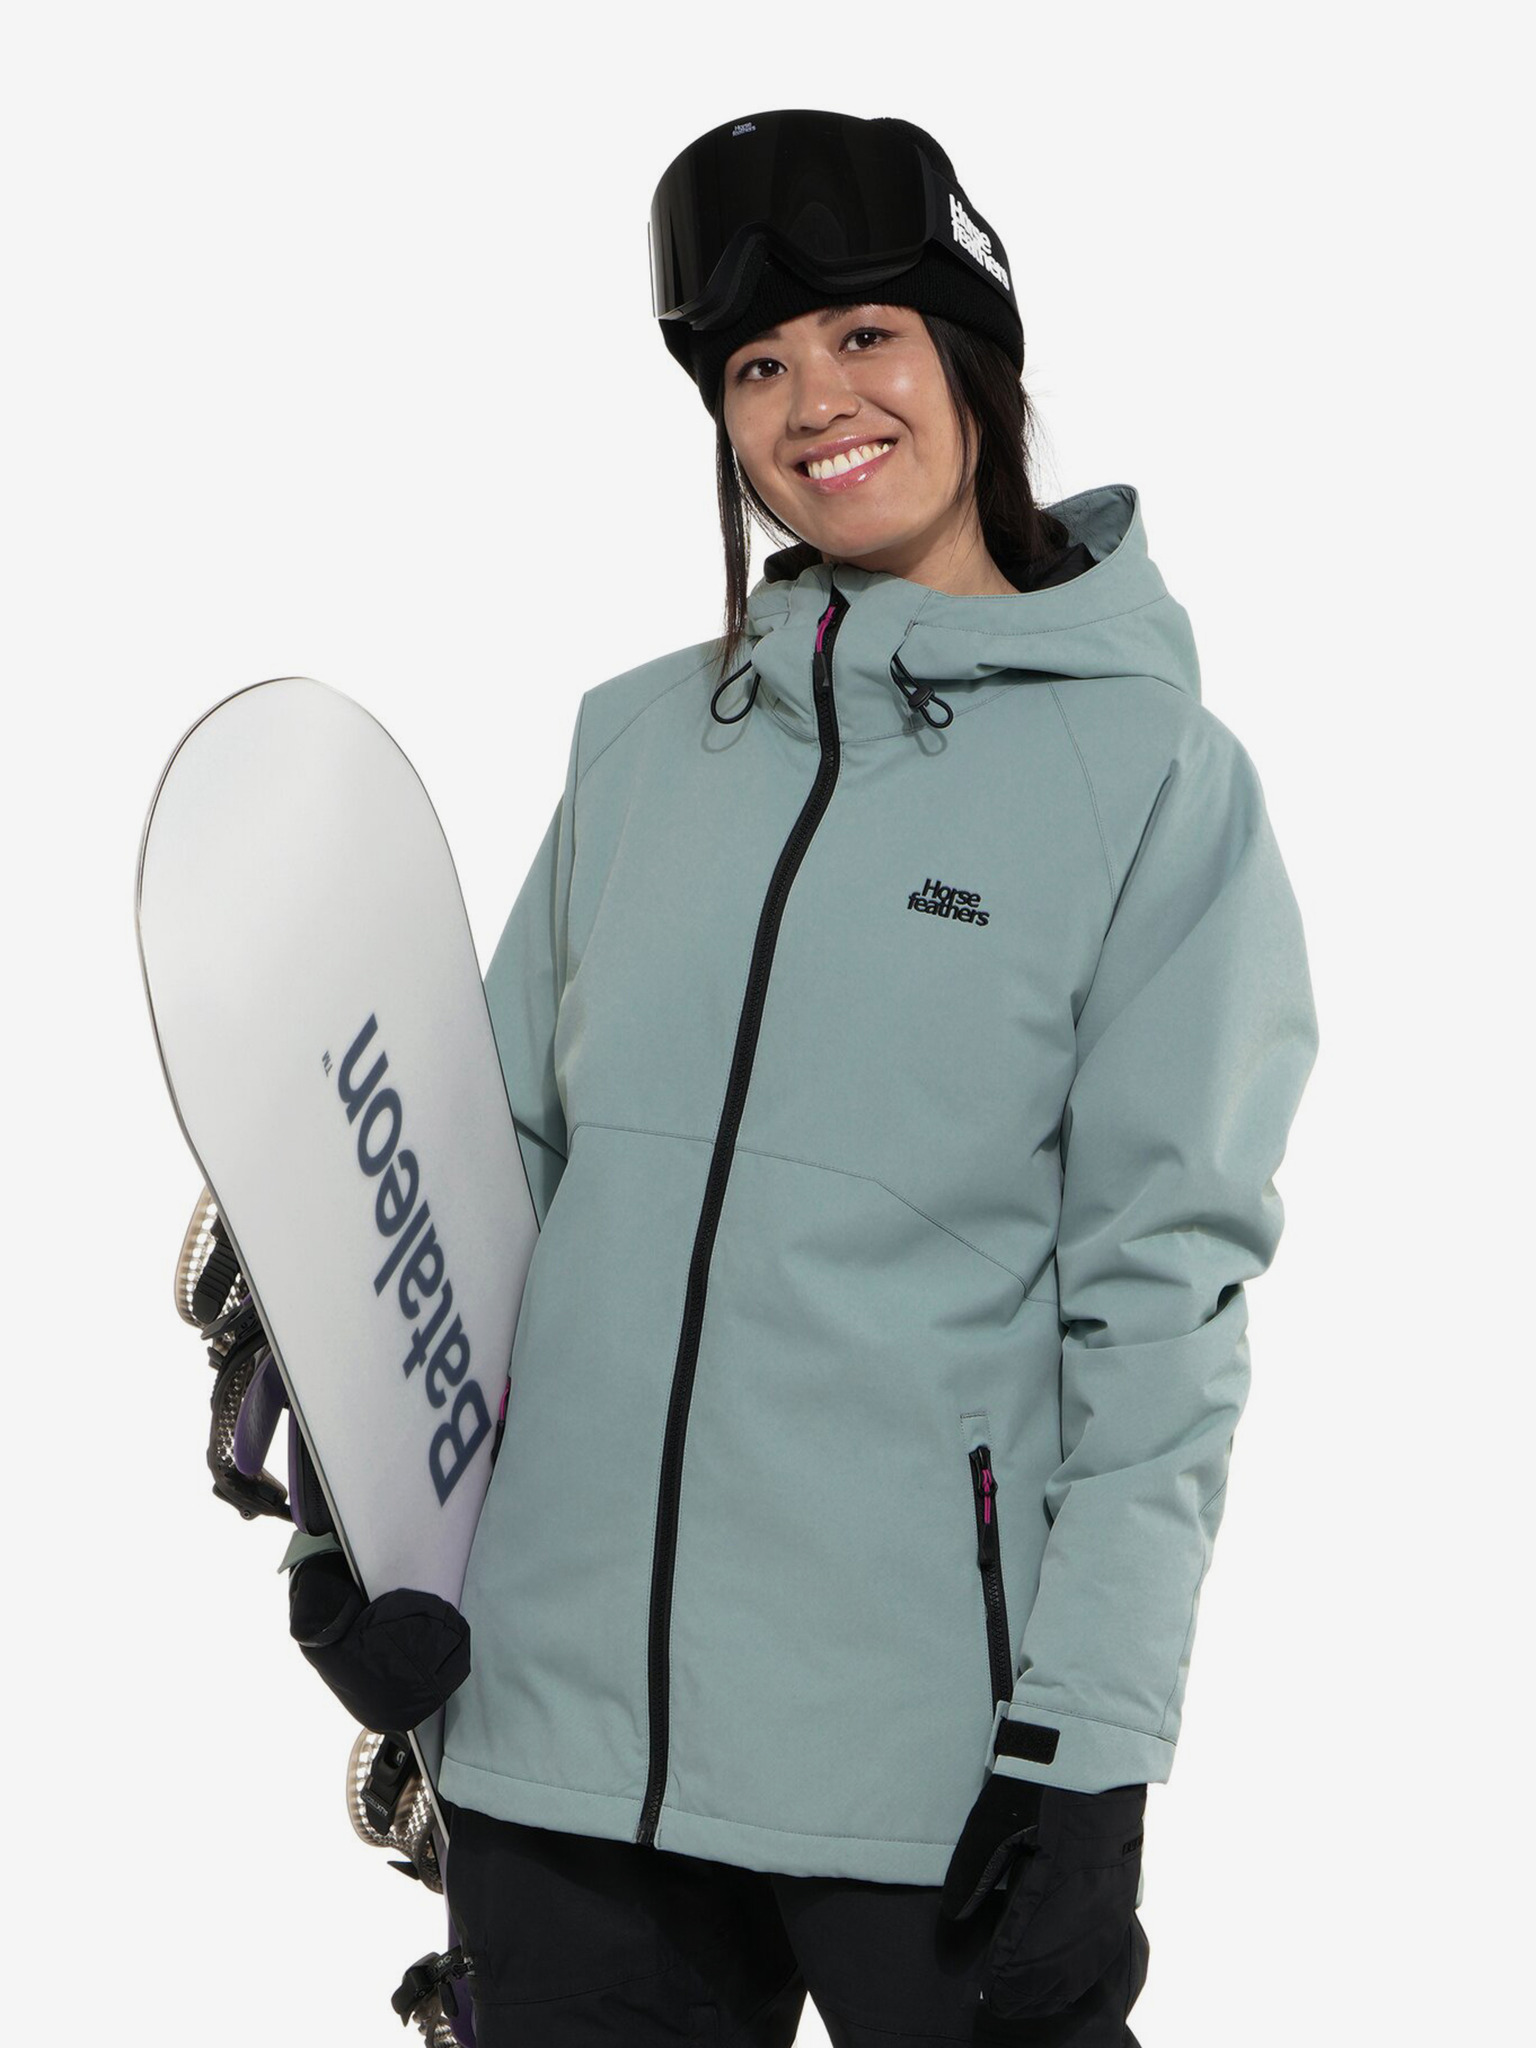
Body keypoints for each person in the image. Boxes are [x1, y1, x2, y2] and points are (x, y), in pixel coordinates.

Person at [287, 109, 1320, 2045]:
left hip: (927, 1764)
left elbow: (1161, 1304)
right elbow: (485, 1184)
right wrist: (363, 1520)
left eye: (864, 335)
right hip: (564, 1748)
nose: (814, 403)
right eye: (755, 368)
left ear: (972, 361)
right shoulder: (637, 750)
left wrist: (1094, 1740)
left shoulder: (1152, 785)